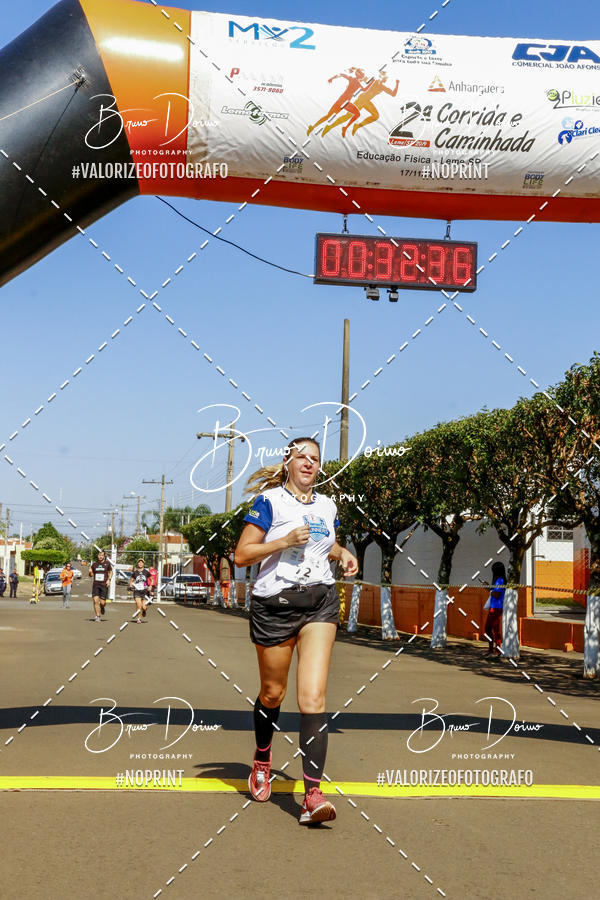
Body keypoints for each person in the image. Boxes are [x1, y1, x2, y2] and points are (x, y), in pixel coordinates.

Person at [234, 437, 358, 825]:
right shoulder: (269, 502)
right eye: (301, 456)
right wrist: (283, 541)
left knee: (313, 698)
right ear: (288, 462)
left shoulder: (327, 506)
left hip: (320, 602)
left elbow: (324, 544)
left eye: (315, 459)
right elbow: (241, 555)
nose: (308, 463)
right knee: (273, 692)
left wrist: (343, 552)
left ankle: (312, 796)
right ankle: (262, 758)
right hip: (275, 605)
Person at [322, 73, 399, 138]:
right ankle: (330, 127)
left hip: (366, 101)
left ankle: (356, 126)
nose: (385, 79)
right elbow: (362, 78)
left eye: (386, 78)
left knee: (375, 115)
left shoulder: (383, 87)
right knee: (347, 116)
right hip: (362, 99)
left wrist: (397, 83)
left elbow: (393, 94)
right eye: (384, 77)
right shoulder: (373, 80)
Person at [306, 68, 368, 136]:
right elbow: (364, 89)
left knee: (328, 116)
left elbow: (341, 74)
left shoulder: (352, 79)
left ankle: (313, 127)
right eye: (362, 75)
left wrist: (332, 78)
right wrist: (372, 81)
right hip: (345, 102)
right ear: (360, 76)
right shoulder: (357, 82)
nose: (363, 76)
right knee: (357, 114)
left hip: (341, 100)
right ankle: (345, 128)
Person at [483, 562, 506, 655]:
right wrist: (489, 587)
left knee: (494, 629)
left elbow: (496, 594)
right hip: (493, 607)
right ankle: (491, 649)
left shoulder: (500, 580)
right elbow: (494, 592)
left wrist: (488, 588)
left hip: (497, 607)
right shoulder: (498, 580)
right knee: (489, 628)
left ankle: (497, 650)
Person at [89, 549, 113, 622]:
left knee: (102, 603)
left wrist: (109, 580)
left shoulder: (107, 563)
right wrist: (90, 572)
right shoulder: (94, 564)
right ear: (97, 556)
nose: (100, 556)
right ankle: (98, 616)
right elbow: (91, 575)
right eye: (99, 555)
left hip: (104, 585)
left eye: (102, 555)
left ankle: (102, 607)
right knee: (95, 600)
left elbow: (111, 572)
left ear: (104, 556)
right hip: (96, 585)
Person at [129, 558, 150, 622]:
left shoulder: (146, 572)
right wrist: (130, 585)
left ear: (143, 564)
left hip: (145, 591)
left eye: (142, 562)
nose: (140, 563)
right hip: (137, 591)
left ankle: (144, 611)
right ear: (137, 563)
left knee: (144, 607)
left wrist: (151, 586)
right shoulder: (135, 572)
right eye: (139, 562)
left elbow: (152, 579)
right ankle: (139, 618)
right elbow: (131, 580)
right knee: (138, 605)